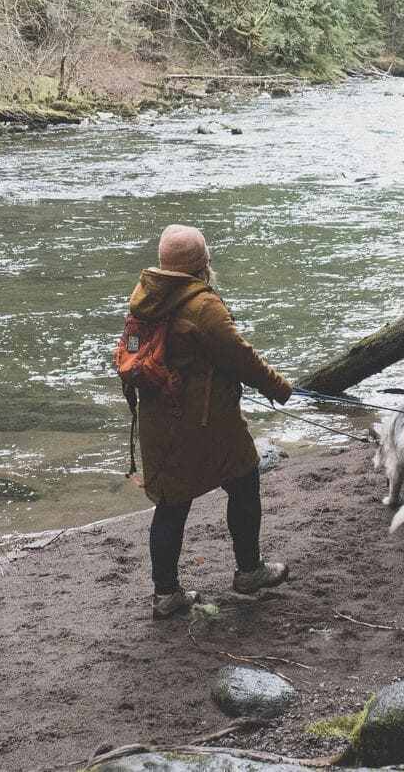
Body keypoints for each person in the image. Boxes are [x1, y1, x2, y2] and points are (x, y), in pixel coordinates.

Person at [124, 223, 293, 619]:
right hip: (204, 425)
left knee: (170, 505)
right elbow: (241, 357)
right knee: (245, 481)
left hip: (156, 422)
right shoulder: (204, 305)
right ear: (203, 266)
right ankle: (249, 571)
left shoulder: (144, 300)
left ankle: (166, 595)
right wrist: (281, 388)